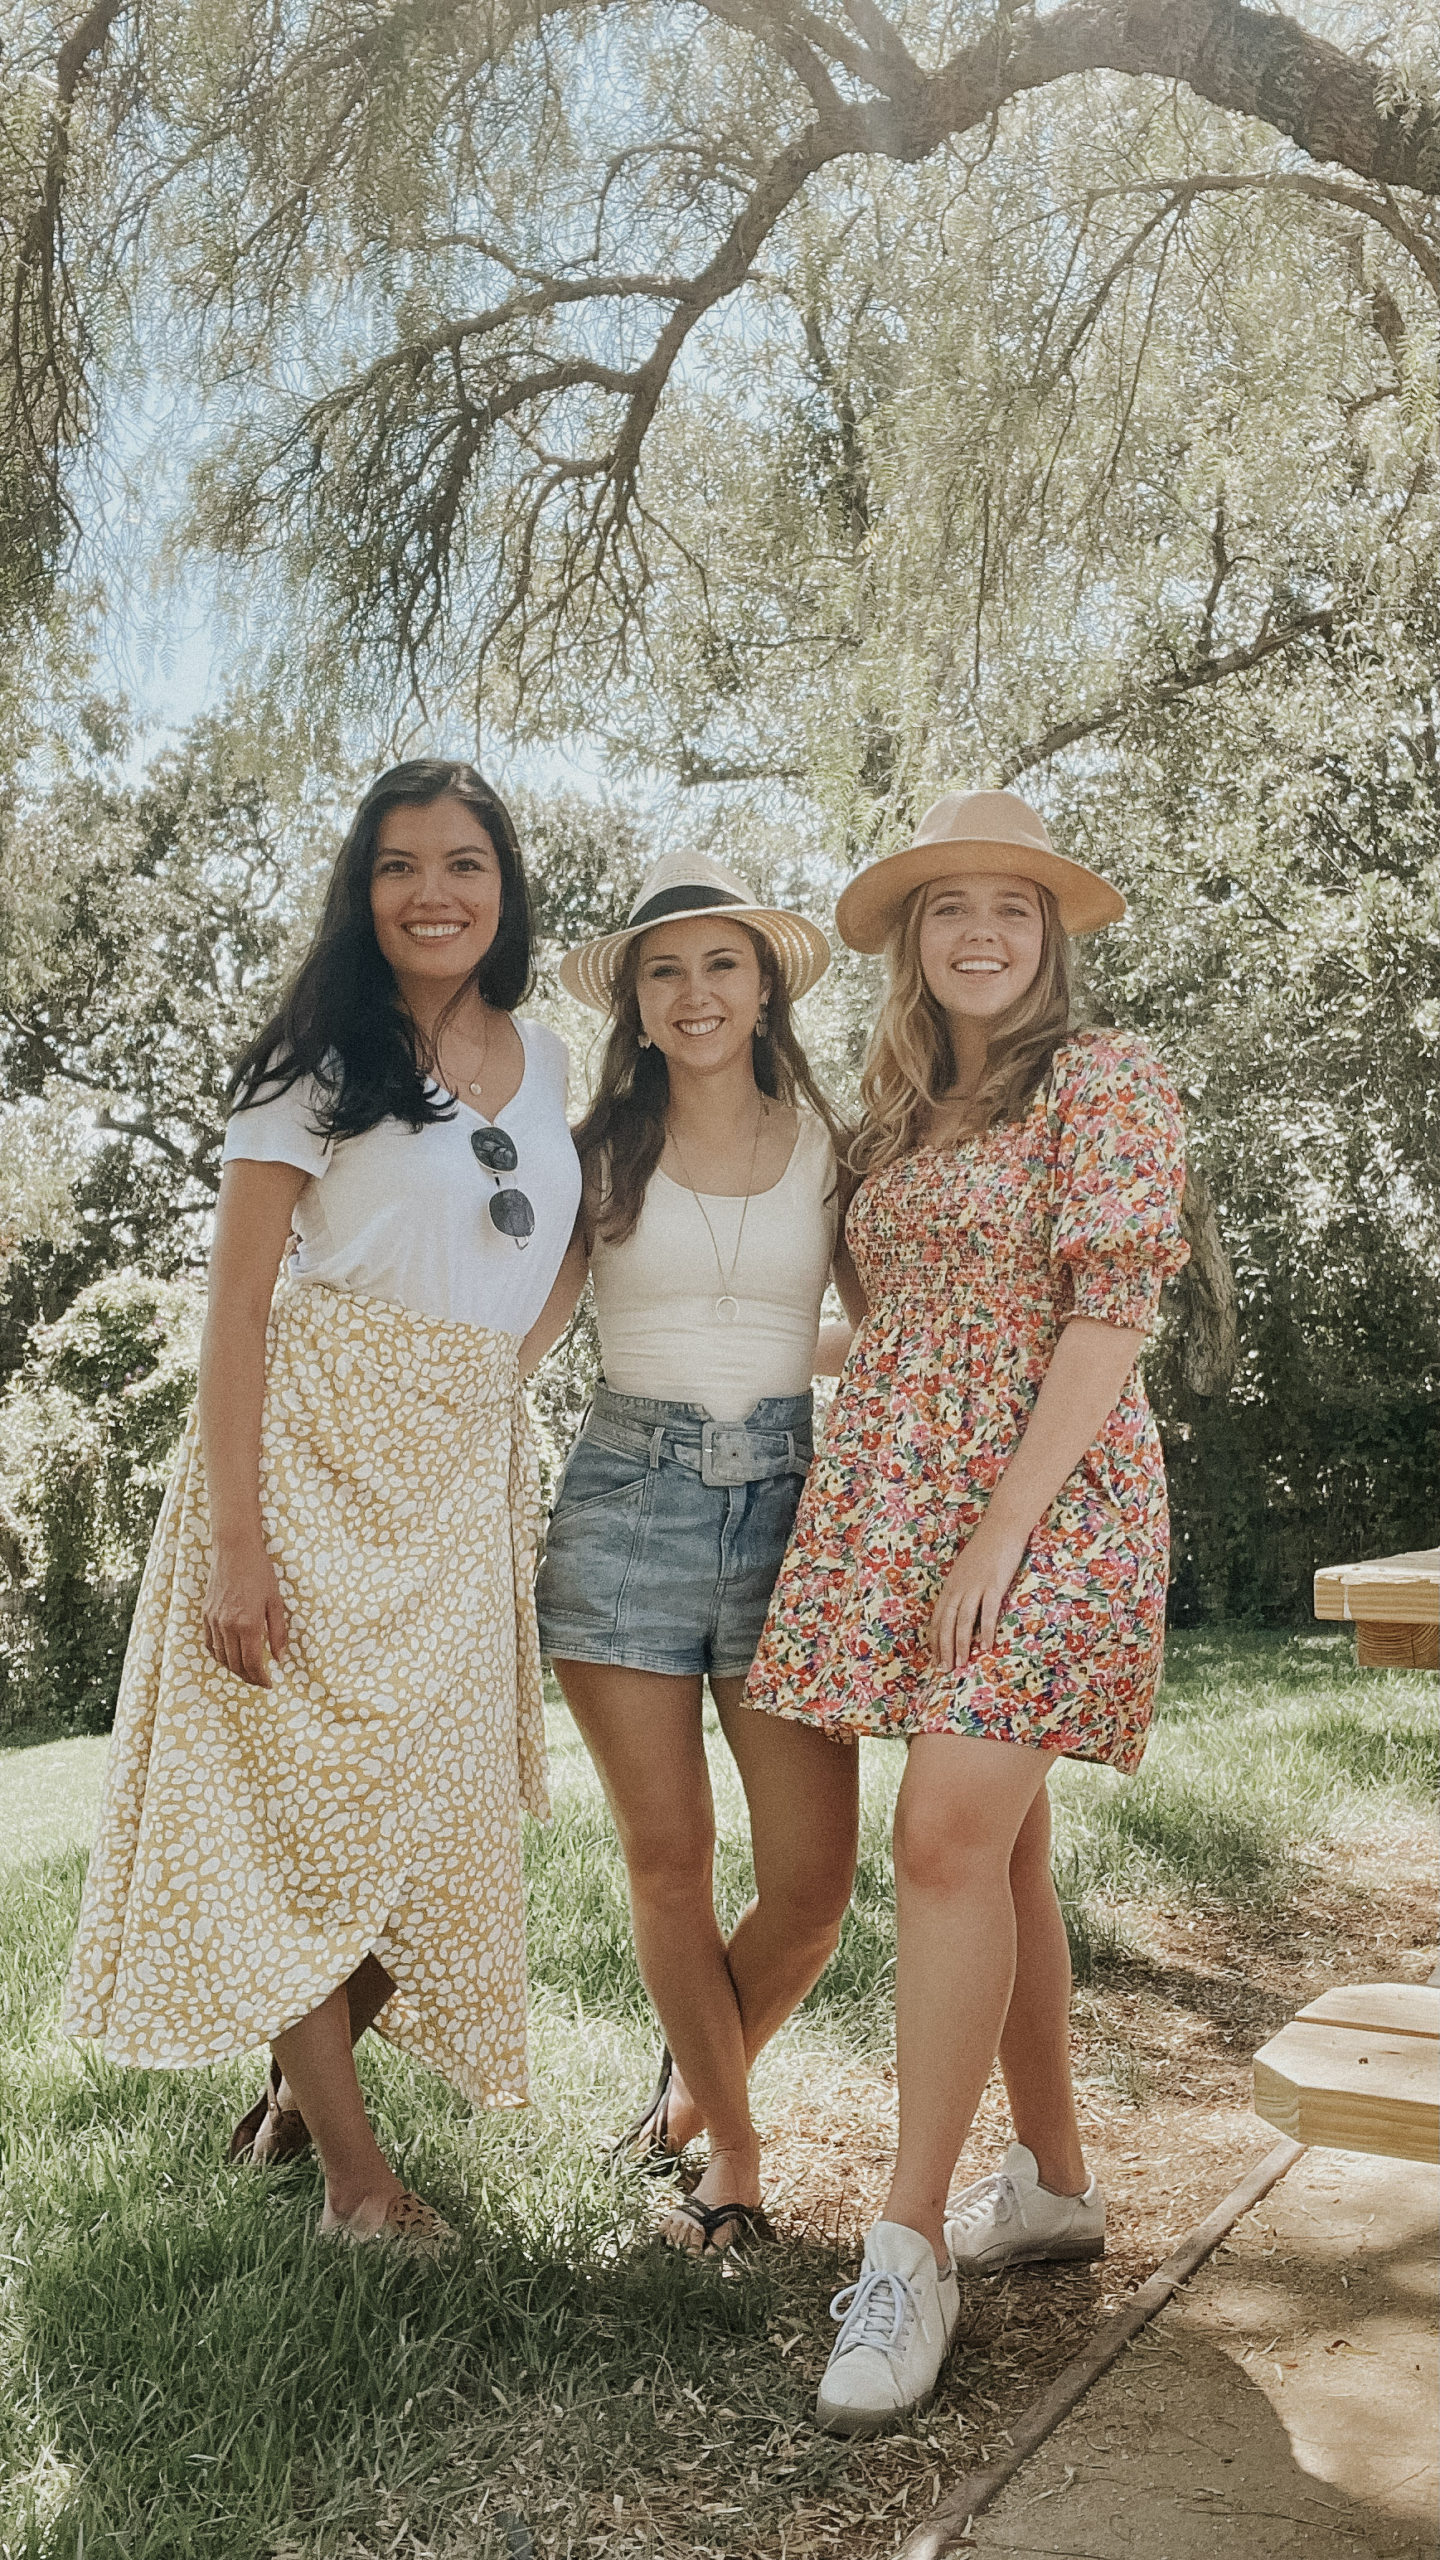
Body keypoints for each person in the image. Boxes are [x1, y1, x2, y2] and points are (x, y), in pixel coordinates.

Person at [63, 759, 582, 2253]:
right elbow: (231, 1311)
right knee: (288, 1813)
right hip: (303, 1458)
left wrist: (504, 1372)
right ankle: (360, 2182)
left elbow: (573, 1243)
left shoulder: (546, 1065)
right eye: (402, 865)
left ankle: (306, 2085)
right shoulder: (311, 1060)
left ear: (506, 886)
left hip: (459, 1477)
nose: (436, 893)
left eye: (466, 863)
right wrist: (239, 1543)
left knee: (439, 1810)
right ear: (364, 891)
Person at [745, 788, 1188, 2428]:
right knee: (996, 1852)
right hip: (904, 1498)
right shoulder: (890, 1122)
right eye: (950, 909)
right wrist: (705, 1346)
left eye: (1014, 905)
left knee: (937, 1837)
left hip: (1055, 1500)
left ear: (1049, 933)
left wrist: (1000, 1535)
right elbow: (899, 1331)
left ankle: (909, 2239)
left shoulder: (1106, 1080)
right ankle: (1055, 2185)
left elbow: (1106, 1312)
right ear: (914, 946)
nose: (982, 931)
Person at [535, 849, 863, 2255]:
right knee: (669, 1855)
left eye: (720, 962)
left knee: (812, 1895)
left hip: (794, 1509)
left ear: (765, 983)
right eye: (664, 969)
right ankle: (733, 2153)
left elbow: (887, 1323)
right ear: (636, 1001)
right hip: (624, 1501)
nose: (694, 990)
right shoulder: (595, 1148)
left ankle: (677, 2105)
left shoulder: (834, 1143)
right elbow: (528, 1330)